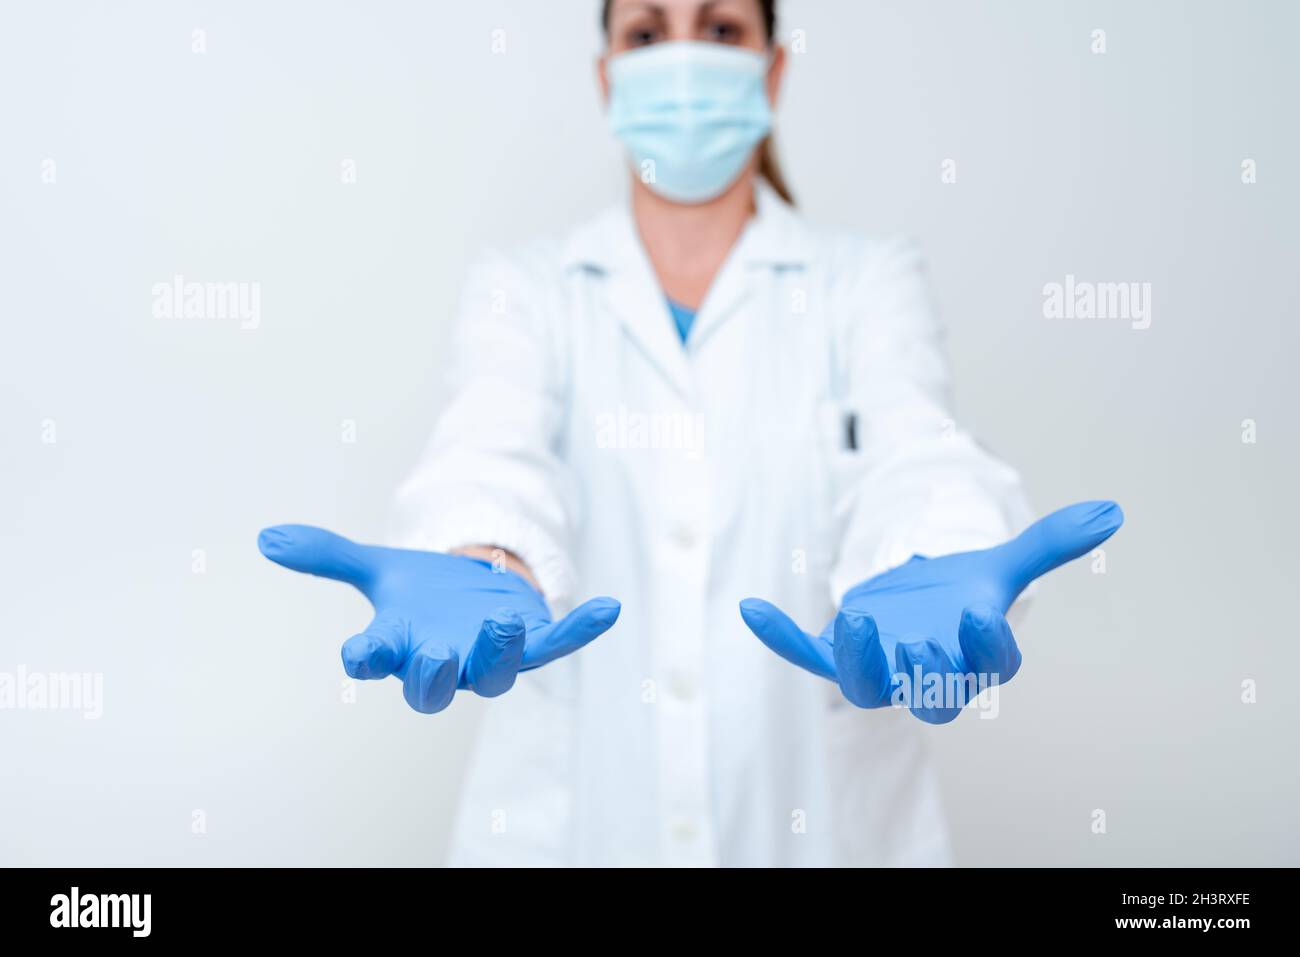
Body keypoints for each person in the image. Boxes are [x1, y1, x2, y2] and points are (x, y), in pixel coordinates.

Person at [258, 0, 1122, 866]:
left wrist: (932, 557)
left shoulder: (865, 282)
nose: (681, 63)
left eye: (718, 30)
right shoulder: (526, 289)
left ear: (772, 71)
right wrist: (486, 559)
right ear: (606, 79)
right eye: (645, 33)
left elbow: (914, 448)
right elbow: (491, 446)